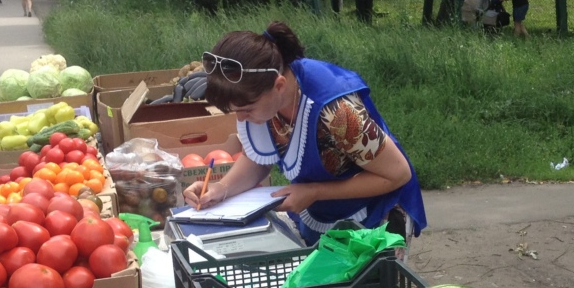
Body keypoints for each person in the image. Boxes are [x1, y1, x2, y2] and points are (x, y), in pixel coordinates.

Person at [181, 21, 427, 246]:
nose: (241, 119)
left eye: (246, 110)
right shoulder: (263, 96)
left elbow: (397, 174)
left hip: (374, 218)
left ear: (279, 86)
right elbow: (259, 158)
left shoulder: (338, 113)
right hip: (323, 210)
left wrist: (315, 192)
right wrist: (221, 189)